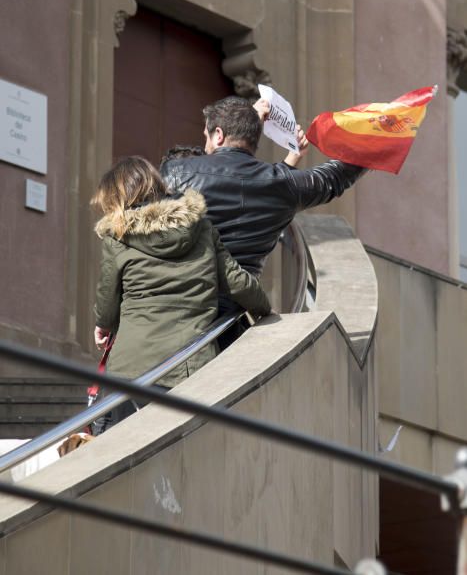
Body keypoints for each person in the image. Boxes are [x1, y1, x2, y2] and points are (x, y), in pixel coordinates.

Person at [91, 156, 271, 431]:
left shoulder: (118, 237)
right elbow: (237, 282)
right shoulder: (201, 228)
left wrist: (103, 325)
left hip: (131, 368)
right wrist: (264, 308)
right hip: (191, 367)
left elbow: (107, 302)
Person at [160, 95, 367, 277]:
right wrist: (374, 144)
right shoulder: (283, 185)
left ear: (219, 135)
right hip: (238, 312)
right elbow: (333, 178)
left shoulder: (177, 172)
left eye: (207, 136)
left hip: (178, 301)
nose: (205, 146)